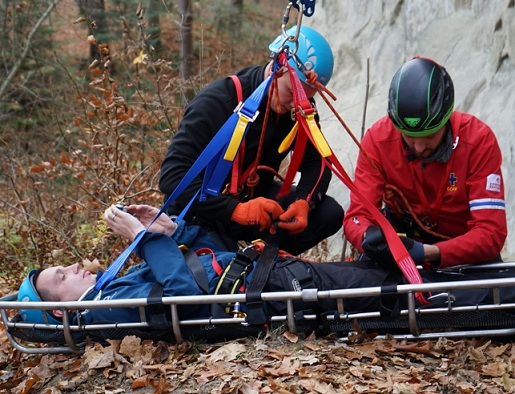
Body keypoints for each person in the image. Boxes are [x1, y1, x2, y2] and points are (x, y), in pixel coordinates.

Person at [18, 204, 514, 327]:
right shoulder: (105, 311)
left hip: (265, 273)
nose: (71, 269)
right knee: (387, 288)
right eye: (60, 280)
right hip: (269, 286)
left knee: (381, 277)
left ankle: (491, 285)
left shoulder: (113, 286)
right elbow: (185, 303)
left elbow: (197, 260)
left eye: (61, 267)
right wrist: (149, 243)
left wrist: (170, 230)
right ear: (60, 313)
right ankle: (498, 300)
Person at [158, 26, 344, 256]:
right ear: (277, 69)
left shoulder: (300, 109)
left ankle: (262, 263)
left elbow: (318, 163)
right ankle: (235, 261)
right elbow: (172, 177)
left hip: (256, 204)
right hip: (202, 210)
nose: (295, 104)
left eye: (306, 97)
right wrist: (235, 210)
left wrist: (304, 202)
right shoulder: (218, 101)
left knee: (329, 214)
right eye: (290, 92)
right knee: (213, 273)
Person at [343, 56, 507, 270]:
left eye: (429, 136)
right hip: (399, 247)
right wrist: (369, 236)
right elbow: (357, 217)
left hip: (464, 252)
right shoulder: (378, 139)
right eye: (409, 137)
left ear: (446, 119)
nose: (419, 147)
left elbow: (491, 232)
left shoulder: (478, 141)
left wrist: (429, 253)